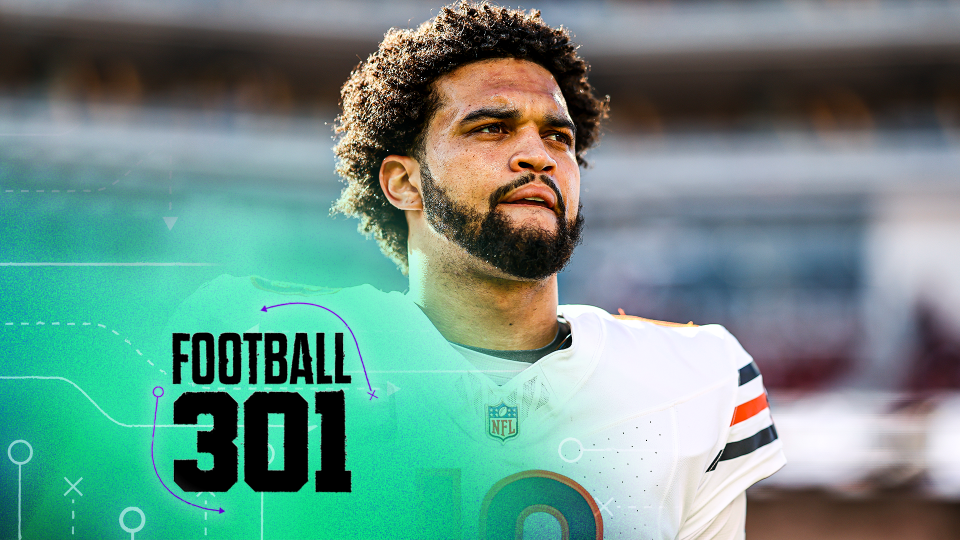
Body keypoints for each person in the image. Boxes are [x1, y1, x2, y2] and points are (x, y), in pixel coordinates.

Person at [170, 2, 784, 537]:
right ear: (404, 182)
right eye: (491, 128)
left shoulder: (695, 377)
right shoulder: (285, 360)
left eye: (558, 138)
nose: (536, 156)